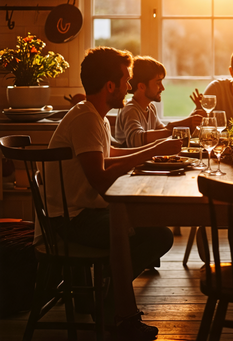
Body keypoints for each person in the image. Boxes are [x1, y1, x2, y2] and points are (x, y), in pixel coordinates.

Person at [46, 47, 183, 341]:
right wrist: (154, 150)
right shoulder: (86, 119)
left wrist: (153, 152)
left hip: (83, 212)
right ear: (110, 86)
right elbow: (102, 179)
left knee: (154, 230)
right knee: (153, 233)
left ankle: (108, 303)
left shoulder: (95, 116)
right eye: (126, 80)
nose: (130, 86)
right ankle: (120, 314)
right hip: (71, 220)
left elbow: (110, 156)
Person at [115, 55, 203, 147]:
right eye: (158, 83)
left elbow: (163, 131)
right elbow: (135, 140)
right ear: (141, 86)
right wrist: (182, 125)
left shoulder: (151, 108)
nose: (163, 88)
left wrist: (191, 119)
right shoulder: (130, 110)